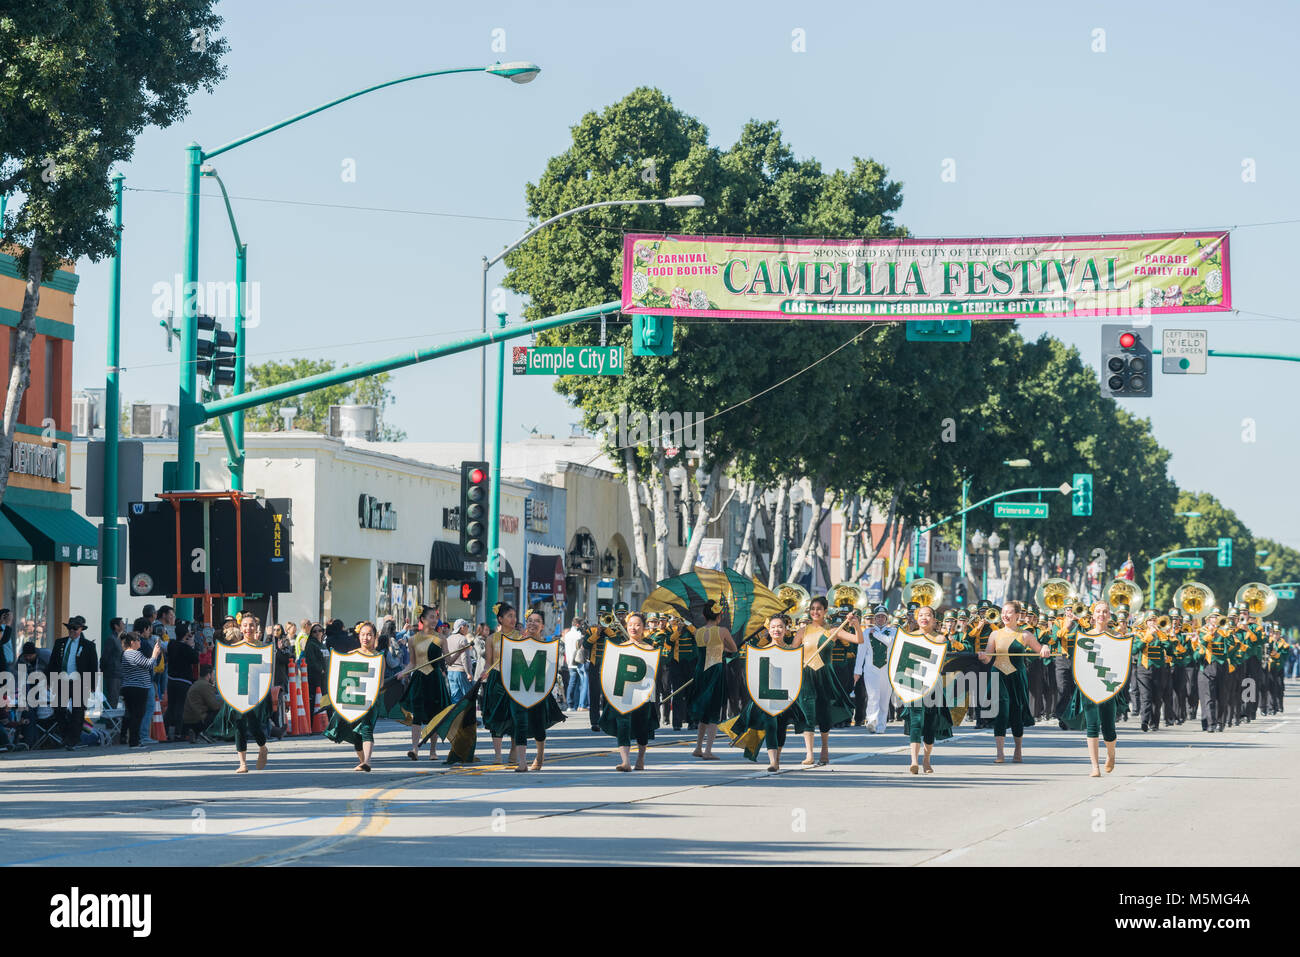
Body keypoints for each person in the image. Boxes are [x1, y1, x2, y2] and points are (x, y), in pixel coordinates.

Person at [726, 613, 805, 771]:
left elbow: (794, 675)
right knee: (771, 725)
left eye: (780, 627)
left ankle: (777, 757)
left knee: (781, 727)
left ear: (786, 629)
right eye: (773, 627)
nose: (777, 629)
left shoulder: (792, 651)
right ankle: (773, 761)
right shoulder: (760, 651)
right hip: (767, 696)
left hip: (786, 694)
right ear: (768, 630)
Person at [977, 601, 1049, 764]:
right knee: (1001, 712)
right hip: (998, 675)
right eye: (1003, 612)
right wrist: (983, 656)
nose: (1005, 615)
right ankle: (1000, 753)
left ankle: (1018, 750)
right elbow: (988, 658)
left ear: (1018, 615)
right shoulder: (995, 634)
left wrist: (1045, 648)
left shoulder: (1025, 635)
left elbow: (1040, 650)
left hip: (1017, 677)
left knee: (1017, 712)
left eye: (1009, 612)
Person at [793, 596, 861, 767]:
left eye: (819, 609)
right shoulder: (802, 631)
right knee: (807, 712)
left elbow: (859, 640)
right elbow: (791, 652)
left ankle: (824, 748)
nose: (815, 612)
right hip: (806, 675)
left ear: (825, 611)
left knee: (824, 713)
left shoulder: (833, 631)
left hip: (825, 675)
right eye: (812, 608)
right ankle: (809, 753)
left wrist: (856, 625)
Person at [1061, 600, 1126, 776]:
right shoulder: (1084, 637)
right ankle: (1094, 766)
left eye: (1105, 611)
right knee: (1092, 725)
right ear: (1093, 615)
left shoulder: (1116, 637)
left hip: (1108, 685)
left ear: (1109, 615)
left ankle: (1111, 754)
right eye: (1098, 611)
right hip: (1089, 685)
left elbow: (1121, 663)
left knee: (1109, 728)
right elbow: (1073, 655)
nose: (1101, 615)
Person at [599, 611, 659, 771]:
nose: (634, 628)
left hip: (643, 694)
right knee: (623, 725)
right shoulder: (620, 648)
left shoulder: (650, 648)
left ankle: (640, 758)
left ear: (643, 627)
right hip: (624, 693)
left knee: (642, 727)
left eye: (637, 624)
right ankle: (625, 761)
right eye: (631, 624)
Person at [509, 609, 566, 772]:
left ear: (542, 626)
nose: (532, 623)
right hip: (518, 689)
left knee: (537, 724)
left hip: (539, 690)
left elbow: (552, 668)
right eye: (530, 620)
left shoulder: (548, 646)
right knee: (519, 723)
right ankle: (522, 762)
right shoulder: (516, 643)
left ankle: (539, 756)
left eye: (536, 621)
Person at [323, 620, 385, 771]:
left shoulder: (378, 657)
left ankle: (368, 761)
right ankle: (363, 761)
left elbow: (380, 683)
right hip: (352, 698)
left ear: (375, 636)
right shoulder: (351, 655)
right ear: (359, 636)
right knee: (355, 735)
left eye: (369, 634)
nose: (366, 638)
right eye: (363, 634)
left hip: (370, 699)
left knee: (366, 728)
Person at [401, 605, 459, 761]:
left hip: (435, 680)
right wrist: (402, 673)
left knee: (435, 716)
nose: (435, 620)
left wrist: (460, 651)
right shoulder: (412, 639)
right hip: (419, 679)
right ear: (422, 619)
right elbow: (412, 663)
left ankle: (433, 751)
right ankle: (414, 749)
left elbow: (449, 661)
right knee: (417, 715)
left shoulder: (441, 639)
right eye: (431, 617)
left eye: (436, 617)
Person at [899, 605, 952, 774]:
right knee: (915, 722)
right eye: (921, 615)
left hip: (932, 685)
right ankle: (913, 761)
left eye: (928, 615)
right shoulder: (909, 636)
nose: (924, 618)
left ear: (934, 619)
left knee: (929, 725)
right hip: (913, 684)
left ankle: (926, 759)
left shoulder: (940, 639)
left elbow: (939, 663)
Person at [689, 600, 738, 760]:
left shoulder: (698, 632)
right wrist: (723, 648)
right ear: (719, 615)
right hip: (715, 672)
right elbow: (734, 649)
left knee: (704, 712)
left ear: (704, 615)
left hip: (700, 673)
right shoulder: (722, 631)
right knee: (713, 713)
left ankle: (698, 747)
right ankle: (708, 750)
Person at [46, 615, 98, 751]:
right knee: (58, 710)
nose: (72, 631)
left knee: (77, 712)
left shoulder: (88, 645)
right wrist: (48, 680)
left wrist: (92, 684)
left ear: (81, 629)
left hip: (80, 682)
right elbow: (52, 663)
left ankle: (72, 741)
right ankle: (66, 735)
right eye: (70, 628)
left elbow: (93, 666)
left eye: (75, 628)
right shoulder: (60, 643)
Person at [230, 615, 271, 774]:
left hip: (256, 691)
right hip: (238, 691)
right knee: (239, 724)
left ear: (256, 628)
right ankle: (242, 762)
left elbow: (267, 672)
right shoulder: (234, 648)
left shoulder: (263, 647)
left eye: (252, 625)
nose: (248, 628)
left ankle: (262, 746)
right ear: (241, 628)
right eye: (245, 625)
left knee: (254, 725)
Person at [481, 603, 521, 765]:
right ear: (500, 619)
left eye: (514, 616)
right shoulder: (491, 638)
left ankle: (513, 749)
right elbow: (488, 662)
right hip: (496, 680)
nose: (513, 619)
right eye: (509, 616)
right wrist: (484, 673)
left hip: (515, 680)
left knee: (515, 716)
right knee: (496, 716)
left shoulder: (520, 636)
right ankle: (497, 754)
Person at [853, 606, 895, 733]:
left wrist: (875, 634)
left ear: (887, 618)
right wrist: (857, 671)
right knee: (872, 695)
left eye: (883, 616)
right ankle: (871, 721)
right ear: (874, 618)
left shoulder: (893, 632)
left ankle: (881, 726)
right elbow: (861, 652)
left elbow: (890, 642)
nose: (880, 619)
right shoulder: (866, 632)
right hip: (871, 669)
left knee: (885, 698)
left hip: (887, 669)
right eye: (878, 616)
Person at [120, 626, 162, 749]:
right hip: (137, 688)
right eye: (138, 640)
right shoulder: (133, 653)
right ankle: (134, 741)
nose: (140, 642)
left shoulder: (126, 654)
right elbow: (149, 665)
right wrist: (154, 654)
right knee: (137, 715)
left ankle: (134, 740)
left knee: (134, 714)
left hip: (131, 687)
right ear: (132, 643)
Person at [165, 622, 199, 741]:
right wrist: (191, 646)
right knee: (180, 707)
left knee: (171, 706)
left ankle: (164, 731)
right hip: (184, 680)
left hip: (171, 679)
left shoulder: (171, 644)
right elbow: (195, 659)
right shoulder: (186, 648)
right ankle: (178, 733)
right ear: (185, 635)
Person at [182, 664, 221, 742]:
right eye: (213, 675)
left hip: (189, 718)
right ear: (209, 675)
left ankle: (195, 733)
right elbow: (215, 706)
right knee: (221, 710)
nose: (214, 678)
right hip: (199, 719)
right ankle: (206, 732)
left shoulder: (198, 683)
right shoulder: (205, 685)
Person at [444, 619, 474, 703]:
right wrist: (468, 673)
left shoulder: (448, 639)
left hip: (450, 671)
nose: (468, 628)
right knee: (468, 698)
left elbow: (445, 656)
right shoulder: (463, 639)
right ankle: (466, 716)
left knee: (455, 699)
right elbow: (465, 658)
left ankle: (456, 716)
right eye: (467, 626)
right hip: (462, 672)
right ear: (462, 628)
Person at [100, 617, 125, 710]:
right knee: (113, 699)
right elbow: (105, 656)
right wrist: (103, 669)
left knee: (116, 698)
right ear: (116, 626)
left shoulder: (118, 639)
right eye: (122, 624)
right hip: (113, 674)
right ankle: (110, 723)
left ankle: (112, 721)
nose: (124, 625)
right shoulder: (112, 639)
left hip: (118, 673)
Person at [564, 618, 587, 711]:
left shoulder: (568, 634)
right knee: (579, 683)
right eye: (581, 624)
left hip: (570, 660)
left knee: (572, 683)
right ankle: (576, 704)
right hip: (578, 660)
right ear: (577, 625)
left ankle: (571, 704)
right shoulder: (578, 634)